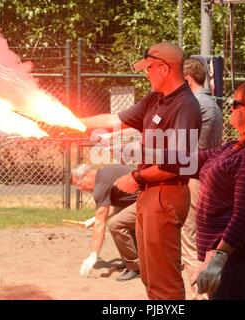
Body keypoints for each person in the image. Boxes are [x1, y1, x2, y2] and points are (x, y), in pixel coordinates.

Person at [82, 41, 202, 299]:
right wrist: (73, 123)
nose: (145, 73)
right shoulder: (154, 99)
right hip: (149, 193)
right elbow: (114, 121)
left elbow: (181, 164)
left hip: (166, 194)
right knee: (150, 277)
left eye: (149, 68)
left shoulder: (185, 105)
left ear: (165, 69)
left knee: (164, 282)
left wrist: (136, 177)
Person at [163, 82, 245, 299]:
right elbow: (188, 163)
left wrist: (219, 257)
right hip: (227, 256)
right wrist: (140, 152)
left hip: (242, 257)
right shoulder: (234, 147)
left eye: (236, 103)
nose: (229, 107)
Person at [182, 58, 223, 299]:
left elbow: (184, 150)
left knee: (190, 240)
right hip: (208, 177)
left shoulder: (196, 105)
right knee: (202, 239)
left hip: (194, 179)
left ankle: (199, 296)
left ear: (187, 80)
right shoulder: (210, 103)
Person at [71, 164, 140, 281]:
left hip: (149, 197)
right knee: (122, 218)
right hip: (141, 197)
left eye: (79, 185)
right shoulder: (104, 175)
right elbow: (114, 205)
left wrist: (93, 255)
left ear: (85, 176)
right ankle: (132, 259)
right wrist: (95, 218)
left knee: (116, 224)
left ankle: (135, 267)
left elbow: (100, 224)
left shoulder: (100, 185)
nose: (81, 189)